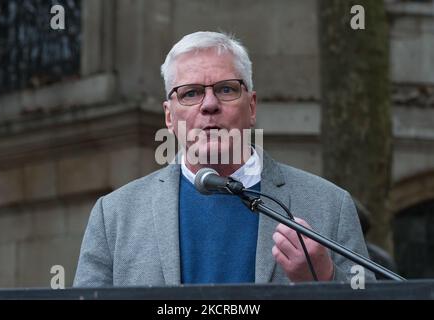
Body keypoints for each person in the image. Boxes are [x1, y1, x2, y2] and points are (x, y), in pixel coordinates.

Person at [74, 31, 375, 287]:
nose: (209, 105)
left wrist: (325, 279)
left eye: (226, 89)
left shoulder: (330, 206)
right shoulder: (114, 215)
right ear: (169, 115)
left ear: (252, 106)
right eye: (190, 93)